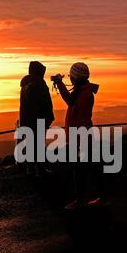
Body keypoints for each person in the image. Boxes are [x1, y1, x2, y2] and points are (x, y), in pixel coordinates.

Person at [52, 62, 105, 210]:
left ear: (76, 77)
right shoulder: (82, 91)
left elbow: (73, 106)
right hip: (82, 136)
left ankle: (82, 200)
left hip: (81, 136)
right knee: (89, 168)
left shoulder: (84, 93)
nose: (70, 79)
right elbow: (70, 100)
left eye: (71, 76)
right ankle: (94, 197)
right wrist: (60, 84)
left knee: (82, 169)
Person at [19, 61, 55, 176]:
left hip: (26, 120)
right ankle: (41, 169)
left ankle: (31, 169)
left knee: (30, 144)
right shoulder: (39, 84)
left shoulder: (25, 84)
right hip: (38, 120)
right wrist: (49, 117)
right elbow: (46, 103)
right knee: (39, 145)